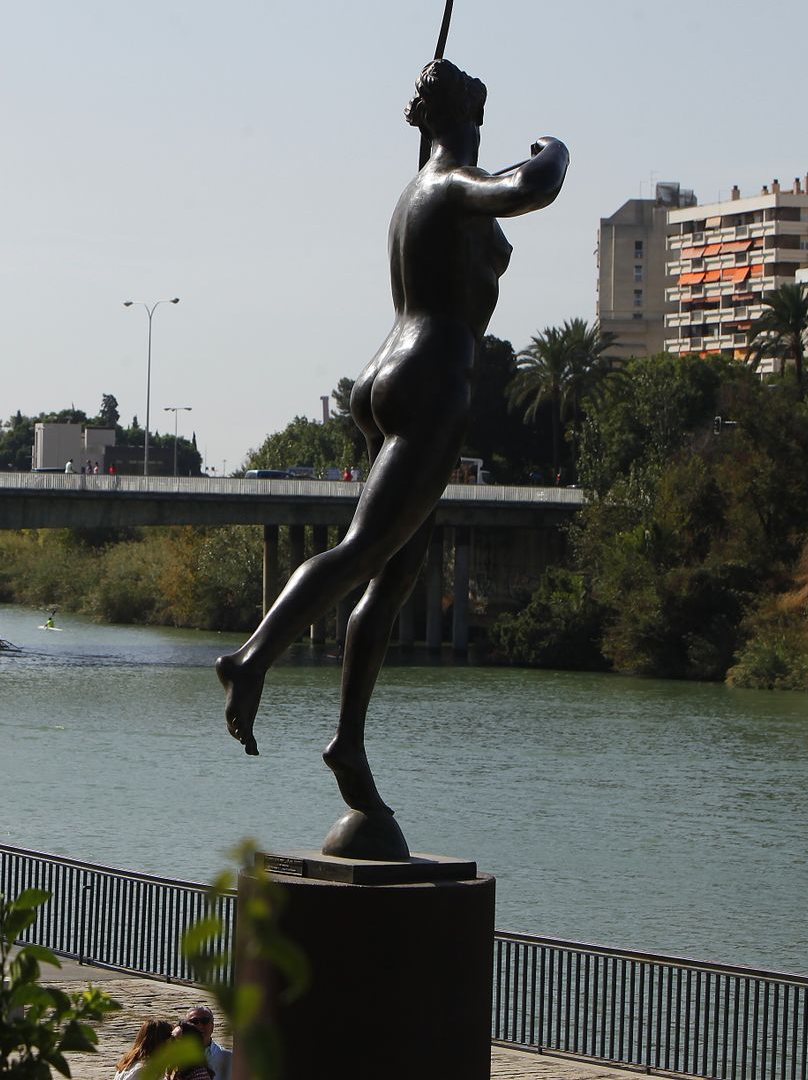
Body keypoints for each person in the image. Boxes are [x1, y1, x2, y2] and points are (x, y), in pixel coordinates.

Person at [215, 57, 567, 858]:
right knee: (363, 551)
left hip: (390, 369)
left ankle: (348, 740)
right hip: (433, 379)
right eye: (480, 104)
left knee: (394, 570)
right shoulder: (448, 184)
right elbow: (532, 186)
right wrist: (557, 147)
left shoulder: (417, 191)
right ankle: (250, 657)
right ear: (467, 114)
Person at [185, 1007, 232, 1079]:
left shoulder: (228, 1058)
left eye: (205, 1021)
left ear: (213, 1026)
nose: (199, 1026)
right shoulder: (174, 1058)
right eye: (194, 1022)